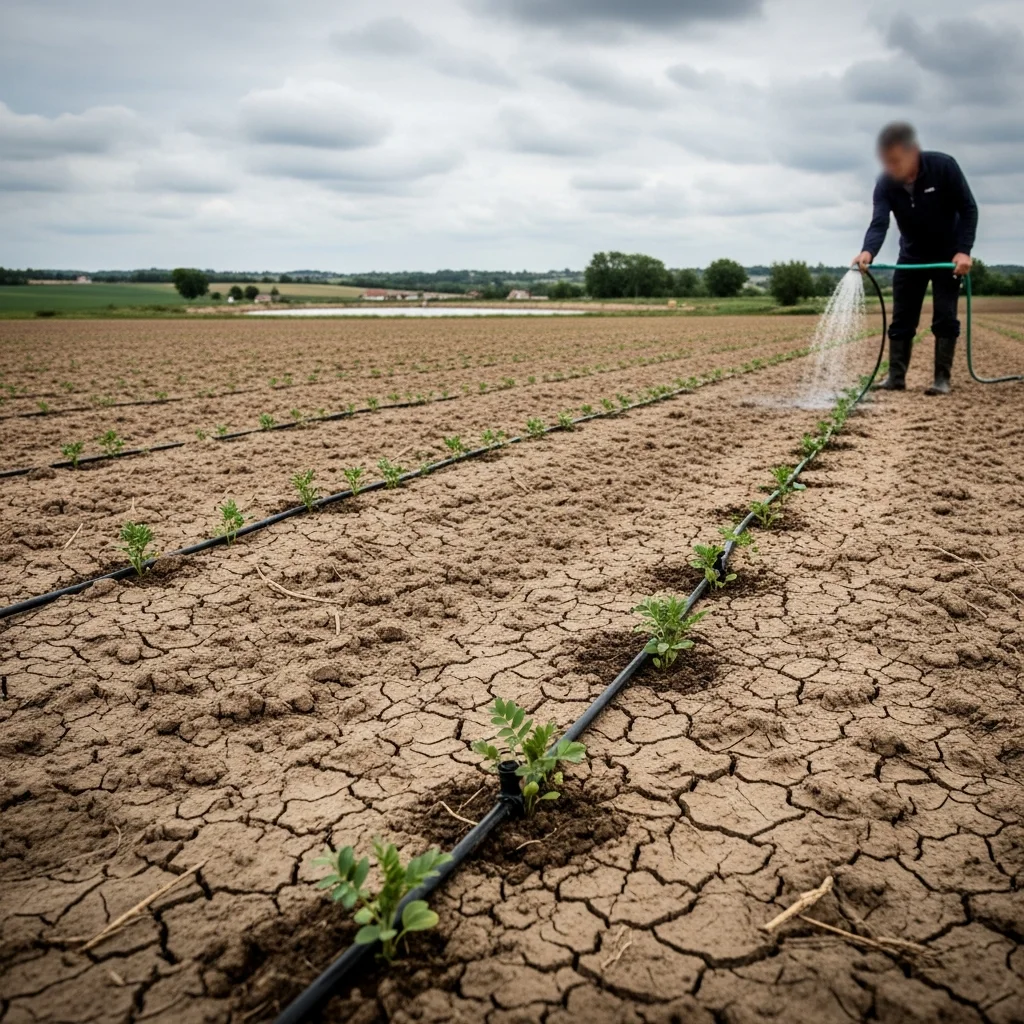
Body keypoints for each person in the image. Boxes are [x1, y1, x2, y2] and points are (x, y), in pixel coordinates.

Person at [854, 122, 978, 395]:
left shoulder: (944, 167)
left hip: (947, 257)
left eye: (896, 161)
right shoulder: (885, 183)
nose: (891, 168)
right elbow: (879, 223)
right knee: (902, 318)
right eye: (887, 162)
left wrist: (963, 250)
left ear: (914, 152)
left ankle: (942, 380)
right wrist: (868, 251)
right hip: (911, 255)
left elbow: (968, 209)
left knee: (945, 316)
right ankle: (895, 378)